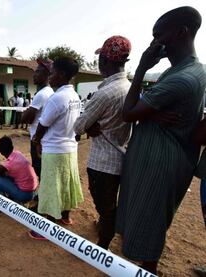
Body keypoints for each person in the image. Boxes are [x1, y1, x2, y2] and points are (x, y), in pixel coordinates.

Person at [117, 7, 205, 274]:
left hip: (161, 161)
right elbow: (148, 110)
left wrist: (142, 67)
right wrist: (153, 116)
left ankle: (149, 269)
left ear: (181, 32)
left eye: (159, 35)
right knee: (146, 216)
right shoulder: (187, 70)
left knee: (150, 219)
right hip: (162, 155)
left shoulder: (183, 77)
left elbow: (128, 113)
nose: (155, 43)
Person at [73, 36, 132, 250]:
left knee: (105, 206)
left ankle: (103, 245)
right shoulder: (129, 87)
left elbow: (78, 126)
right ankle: (106, 230)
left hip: (103, 162)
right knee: (109, 205)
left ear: (105, 62)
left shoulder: (105, 93)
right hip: (120, 156)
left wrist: (88, 126)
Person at [30, 57, 84, 240]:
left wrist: (37, 141)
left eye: (52, 73)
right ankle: (65, 216)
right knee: (66, 183)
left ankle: (48, 228)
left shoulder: (57, 97)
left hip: (54, 149)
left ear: (60, 75)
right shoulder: (74, 96)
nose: (50, 77)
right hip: (69, 148)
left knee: (51, 187)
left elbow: (42, 125)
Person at [21, 58, 54, 180]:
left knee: (39, 168)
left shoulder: (41, 94)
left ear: (47, 74)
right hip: (43, 137)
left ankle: (43, 195)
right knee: (43, 168)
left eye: (38, 72)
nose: (34, 75)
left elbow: (25, 119)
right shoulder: (49, 91)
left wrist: (25, 114)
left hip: (37, 139)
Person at [0, 136, 38, 203]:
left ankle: (2, 202)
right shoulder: (18, 153)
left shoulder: (9, 164)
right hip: (33, 191)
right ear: (12, 147)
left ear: (1, 150)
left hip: (24, 195)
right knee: (5, 174)